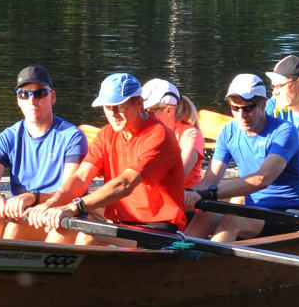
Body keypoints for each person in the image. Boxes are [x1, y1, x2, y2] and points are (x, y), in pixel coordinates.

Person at [28, 72, 189, 244]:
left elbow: (124, 184)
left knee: (88, 236)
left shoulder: (159, 136)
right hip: (122, 224)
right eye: (107, 107)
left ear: (139, 104)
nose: (112, 114)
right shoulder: (107, 133)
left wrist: (73, 206)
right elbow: (81, 178)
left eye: (119, 106)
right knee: (61, 228)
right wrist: (52, 203)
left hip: (158, 230)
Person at [185, 73, 299, 242]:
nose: (241, 115)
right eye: (235, 108)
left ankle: (207, 265)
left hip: (290, 214)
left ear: (263, 104)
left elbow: (261, 179)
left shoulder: (284, 132)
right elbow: (210, 181)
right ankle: (178, 260)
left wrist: (209, 195)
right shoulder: (228, 132)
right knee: (206, 214)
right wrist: (184, 195)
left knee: (232, 219)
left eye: (248, 108)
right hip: (255, 211)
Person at [0, 65, 88, 241]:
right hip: (22, 214)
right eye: (24, 94)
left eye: (40, 94)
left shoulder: (72, 137)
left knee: (14, 230)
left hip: (60, 214)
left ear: (52, 97)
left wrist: (33, 197)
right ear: (18, 100)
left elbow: (70, 192)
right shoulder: (7, 137)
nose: (32, 101)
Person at [141, 78, 207, 188]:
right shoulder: (146, 132)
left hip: (184, 200)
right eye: (142, 111)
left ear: (168, 110)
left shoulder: (190, 134)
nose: (144, 116)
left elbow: (179, 174)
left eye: (149, 111)